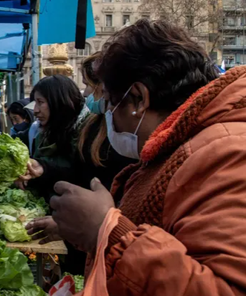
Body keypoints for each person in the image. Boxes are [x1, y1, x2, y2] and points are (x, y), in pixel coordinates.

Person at [48, 19, 246, 295]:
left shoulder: (225, 153)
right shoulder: (179, 148)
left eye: (109, 103)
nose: (107, 115)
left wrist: (107, 231)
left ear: (139, 99)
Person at [24, 53, 137, 275]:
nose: (85, 94)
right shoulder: (94, 129)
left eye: (91, 86)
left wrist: (77, 226)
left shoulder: (117, 138)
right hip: (91, 248)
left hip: (105, 250)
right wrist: (43, 169)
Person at [15, 75, 86, 201]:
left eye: (40, 102)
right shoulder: (45, 133)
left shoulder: (86, 134)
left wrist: (44, 167)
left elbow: (79, 175)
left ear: (59, 101)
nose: (35, 110)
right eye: (35, 103)